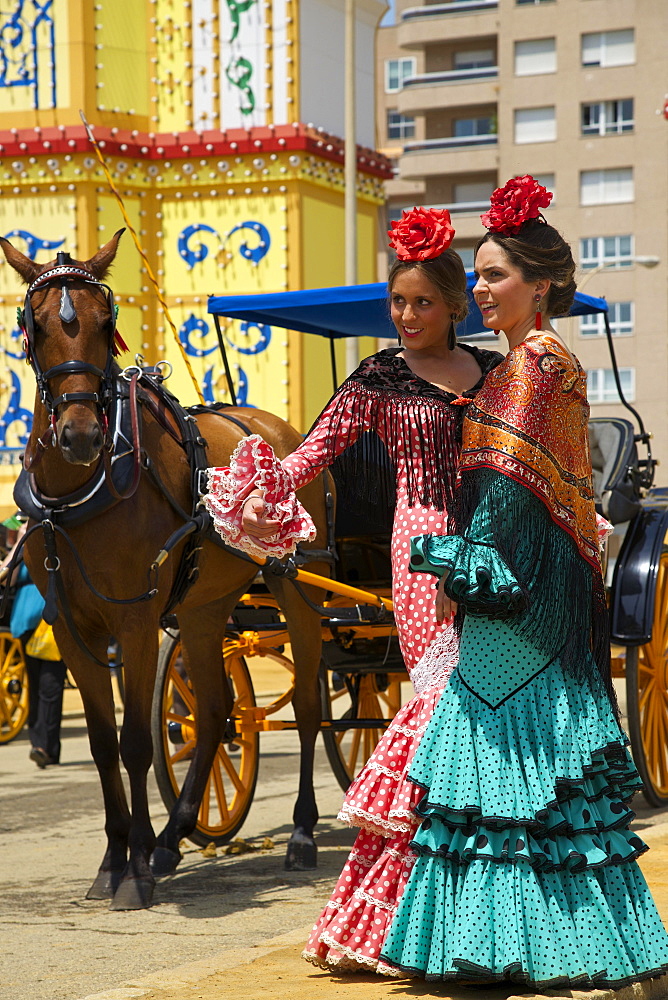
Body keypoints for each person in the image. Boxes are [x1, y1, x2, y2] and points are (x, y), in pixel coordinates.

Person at [377, 176, 668, 986]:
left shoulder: (531, 366)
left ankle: (503, 950)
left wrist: (458, 567)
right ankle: (565, 948)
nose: (479, 287)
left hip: (513, 605)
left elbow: (505, 497)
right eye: (476, 274)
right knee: (536, 785)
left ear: (541, 286)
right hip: (529, 604)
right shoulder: (534, 364)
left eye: (495, 273)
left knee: (504, 780)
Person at [202, 207, 502, 972]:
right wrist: (250, 488)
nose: (405, 316)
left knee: (490, 723)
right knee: (442, 716)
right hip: (423, 551)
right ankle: (405, 918)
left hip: (499, 554)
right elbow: (310, 456)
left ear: (454, 305)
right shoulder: (378, 377)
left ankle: (483, 915)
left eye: (421, 302)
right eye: (397, 303)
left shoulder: (496, 374)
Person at [1, 516, 66, 768]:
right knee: (36, 682)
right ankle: (41, 745)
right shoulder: (23, 543)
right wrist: (19, 544)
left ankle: (45, 746)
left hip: (53, 620)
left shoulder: (55, 539)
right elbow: (9, 577)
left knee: (50, 685)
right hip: (26, 621)